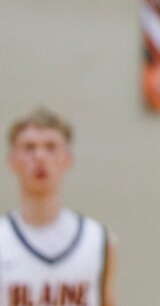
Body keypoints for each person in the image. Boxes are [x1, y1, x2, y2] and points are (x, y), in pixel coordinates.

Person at [2, 109, 117, 306]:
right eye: (29, 148)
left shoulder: (99, 239)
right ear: (12, 160)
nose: (39, 156)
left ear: (68, 158)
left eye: (51, 147)